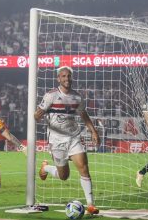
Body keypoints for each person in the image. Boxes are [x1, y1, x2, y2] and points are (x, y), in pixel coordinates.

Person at [34, 66, 100, 215]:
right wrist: (38, 114)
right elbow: (37, 114)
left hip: (73, 137)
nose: (66, 79)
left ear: (72, 78)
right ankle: (46, 168)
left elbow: (84, 115)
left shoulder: (77, 97)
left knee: (84, 168)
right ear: (59, 78)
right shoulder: (51, 95)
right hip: (57, 141)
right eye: (63, 76)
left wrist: (93, 131)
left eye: (69, 76)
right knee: (64, 176)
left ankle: (90, 205)